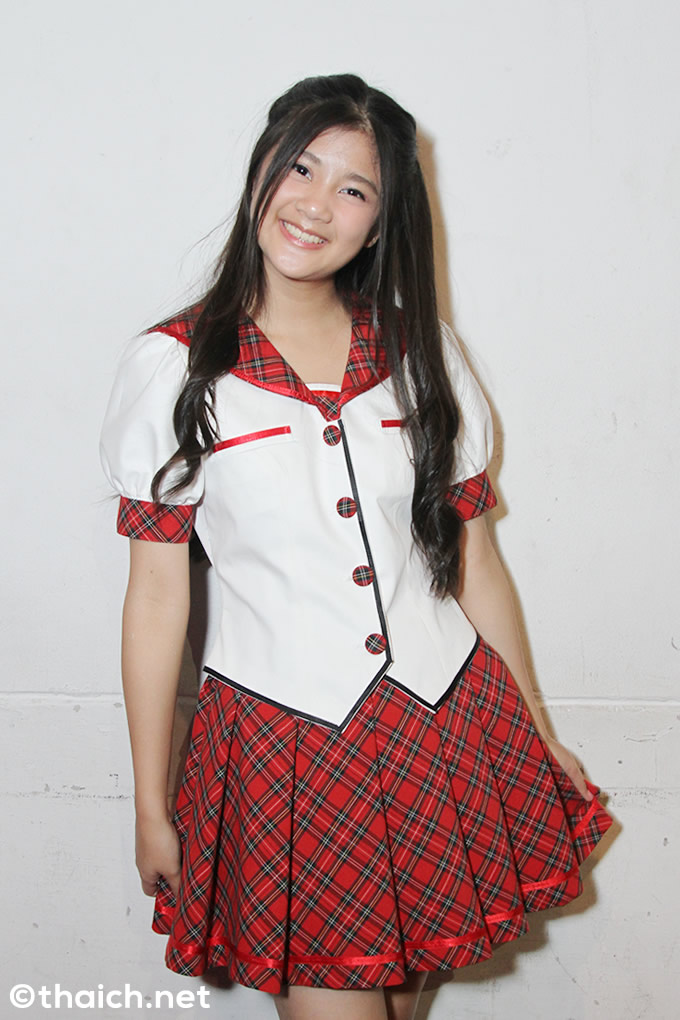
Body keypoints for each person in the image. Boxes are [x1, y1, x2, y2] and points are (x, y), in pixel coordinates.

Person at [100, 73, 612, 1020]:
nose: (315, 205)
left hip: (443, 727)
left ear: (379, 224)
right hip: (283, 751)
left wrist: (536, 728)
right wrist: (150, 802)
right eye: (301, 167)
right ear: (261, 168)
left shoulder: (422, 351)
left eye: (354, 189)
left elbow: (474, 563)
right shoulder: (174, 367)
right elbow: (158, 598)